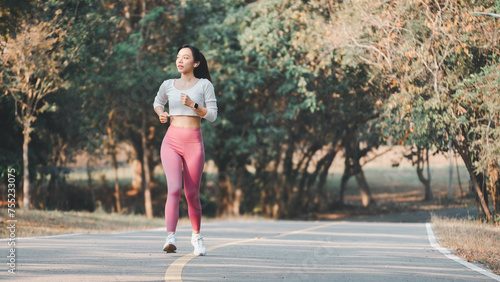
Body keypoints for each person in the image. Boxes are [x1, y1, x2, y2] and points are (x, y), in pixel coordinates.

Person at [153, 44, 217, 256]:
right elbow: (157, 103)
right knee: (173, 189)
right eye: (178, 56)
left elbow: (213, 115)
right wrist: (161, 113)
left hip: (193, 143)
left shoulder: (204, 85)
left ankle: (197, 237)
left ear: (195, 63)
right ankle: (170, 236)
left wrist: (193, 105)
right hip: (171, 140)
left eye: (185, 57)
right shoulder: (168, 84)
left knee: (191, 194)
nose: (180, 60)